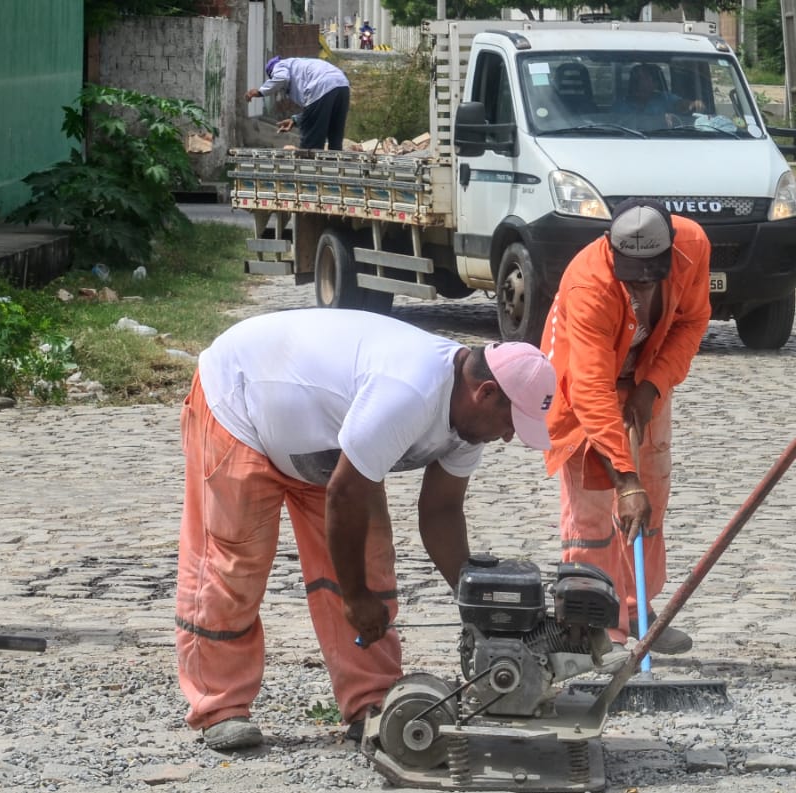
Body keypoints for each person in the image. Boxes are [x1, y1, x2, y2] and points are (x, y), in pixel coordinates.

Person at [175, 309, 557, 751]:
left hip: (323, 448)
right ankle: (220, 707)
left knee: (369, 561)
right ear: (486, 393)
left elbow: (441, 512)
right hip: (242, 404)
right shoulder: (409, 391)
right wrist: (353, 598)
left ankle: (371, 702)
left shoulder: (470, 425)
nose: (509, 437)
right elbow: (345, 496)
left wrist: (477, 604)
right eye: (512, 422)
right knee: (234, 564)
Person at [541, 198, 710, 665]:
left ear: (669, 255)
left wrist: (652, 386)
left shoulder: (693, 245)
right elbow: (591, 387)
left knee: (649, 499)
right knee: (595, 508)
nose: (636, 284)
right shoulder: (588, 283)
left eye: (646, 274)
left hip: (644, 378)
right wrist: (624, 476)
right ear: (612, 252)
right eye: (628, 272)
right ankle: (595, 627)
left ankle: (638, 613)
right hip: (583, 389)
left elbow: (693, 321)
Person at [245, 56, 350, 150]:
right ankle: (333, 167)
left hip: (322, 85)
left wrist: (261, 92)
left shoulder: (279, 65)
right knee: (335, 135)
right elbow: (316, 112)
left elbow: (282, 78)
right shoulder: (298, 67)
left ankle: (309, 168)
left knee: (311, 144)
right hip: (343, 85)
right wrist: (294, 120)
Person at [614, 63, 704, 126]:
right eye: (635, 78)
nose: (638, 82)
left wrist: (693, 105)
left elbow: (681, 105)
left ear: (655, 84)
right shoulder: (621, 105)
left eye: (643, 78)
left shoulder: (664, 99)